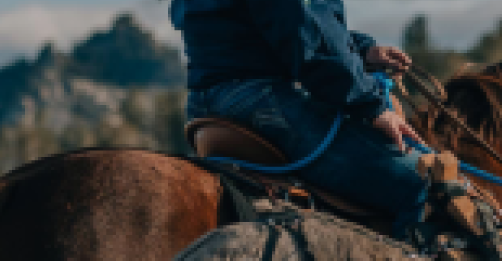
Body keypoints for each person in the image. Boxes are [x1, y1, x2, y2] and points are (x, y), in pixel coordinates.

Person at [171, 0, 431, 237]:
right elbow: (304, 37)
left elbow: (281, 24)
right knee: (424, 183)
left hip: (204, 103)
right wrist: (372, 106)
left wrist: (361, 51)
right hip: (263, 101)